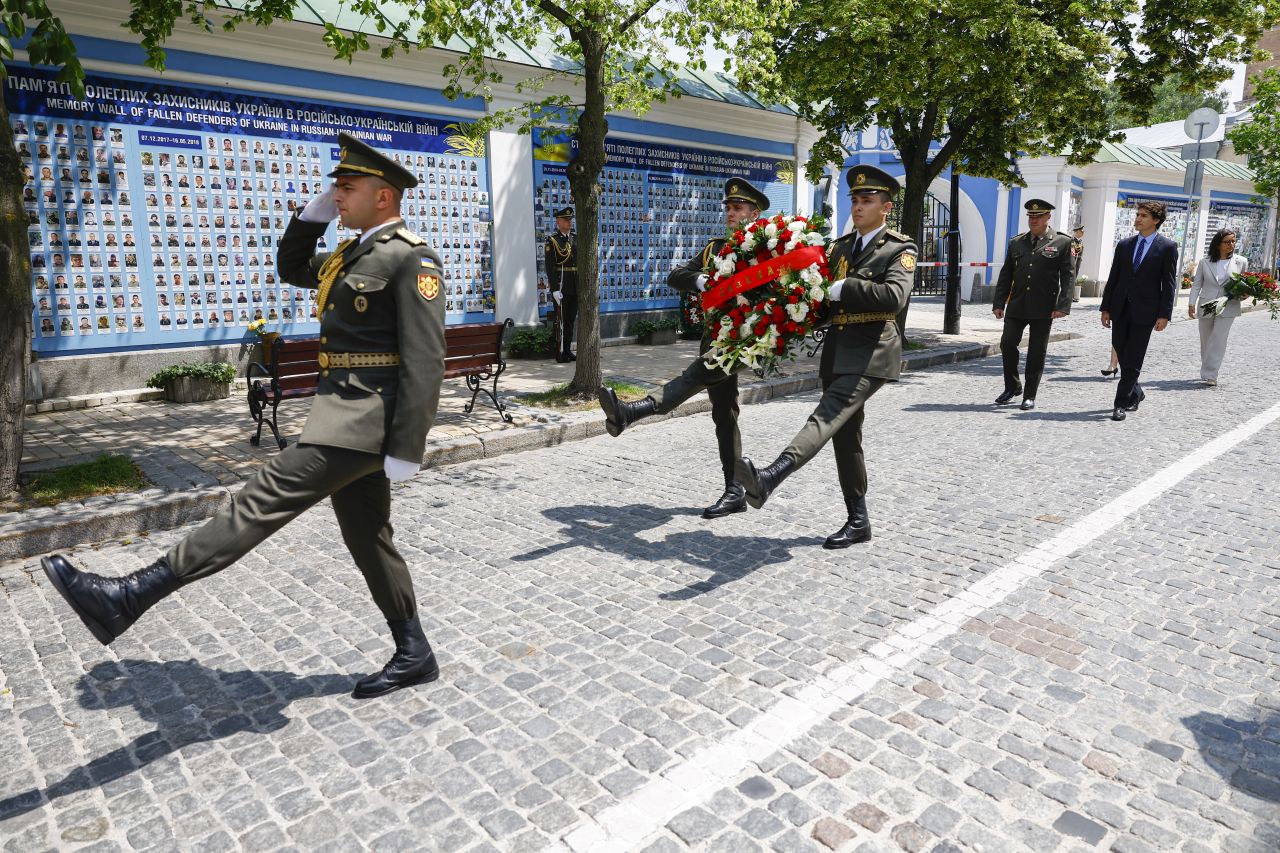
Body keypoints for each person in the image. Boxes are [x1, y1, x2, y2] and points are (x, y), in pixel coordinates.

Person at [41, 133, 448, 700]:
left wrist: (408, 445)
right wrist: (313, 217)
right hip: (344, 416)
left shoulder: (412, 257)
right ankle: (415, 652)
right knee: (368, 535)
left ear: (384, 197)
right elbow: (291, 267)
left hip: (366, 424)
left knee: (260, 499)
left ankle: (129, 596)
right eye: (336, 187)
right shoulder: (355, 252)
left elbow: (426, 360)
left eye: (347, 188)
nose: (337, 194)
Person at [733, 165, 916, 548]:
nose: (859, 206)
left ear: (886, 207)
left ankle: (770, 476)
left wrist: (843, 288)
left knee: (825, 416)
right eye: (855, 199)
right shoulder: (841, 247)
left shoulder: (900, 248)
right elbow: (818, 300)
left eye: (867, 201)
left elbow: (894, 298)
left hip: (872, 353)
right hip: (837, 352)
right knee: (845, 437)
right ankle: (859, 520)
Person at [596, 178, 769, 520]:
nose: (731, 213)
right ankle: (734, 491)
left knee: (694, 377)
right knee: (724, 413)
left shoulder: (767, 252)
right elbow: (676, 275)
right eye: (729, 208)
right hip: (713, 336)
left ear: (755, 214)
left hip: (744, 340)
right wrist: (703, 280)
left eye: (738, 208)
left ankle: (634, 411)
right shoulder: (715, 249)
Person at [991, 199, 1073, 411]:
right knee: (1007, 344)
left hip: (1044, 306)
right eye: (1031, 216)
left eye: (1038, 216)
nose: (1034, 220)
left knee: (1037, 351)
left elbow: (1068, 276)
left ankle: (1029, 395)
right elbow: (1006, 273)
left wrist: (1063, 305)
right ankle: (1012, 386)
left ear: (1048, 217)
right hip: (1017, 304)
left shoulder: (1062, 242)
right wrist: (999, 302)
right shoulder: (1017, 242)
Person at [1100, 200, 1177, 422]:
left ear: (1156, 220)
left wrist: (1164, 314)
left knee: (1133, 357)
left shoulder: (1167, 247)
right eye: (1138, 215)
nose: (1138, 219)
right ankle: (1136, 391)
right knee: (1122, 353)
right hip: (1119, 309)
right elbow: (1114, 278)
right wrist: (1105, 308)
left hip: (1146, 311)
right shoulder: (1124, 245)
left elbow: (1168, 283)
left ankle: (1120, 404)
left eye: (1143, 216)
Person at [1187, 228, 1247, 386]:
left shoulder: (1241, 261)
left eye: (1233, 241)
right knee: (1206, 339)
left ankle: (1211, 374)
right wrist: (1191, 303)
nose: (1231, 244)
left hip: (1229, 305)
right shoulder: (1205, 262)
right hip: (1207, 304)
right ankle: (1207, 368)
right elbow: (1197, 284)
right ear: (1218, 244)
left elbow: (1244, 283)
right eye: (1227, 242)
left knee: (1219, 339)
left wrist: (1245, 294)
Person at [544, 207, 577, 362]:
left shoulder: (575, 238)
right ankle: (559, 351)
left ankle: (568, 349)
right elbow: (550, 267)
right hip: (562, 285)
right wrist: (555, 289)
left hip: (575, 286)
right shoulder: (553, 241)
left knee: (570, 320)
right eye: (566, 220)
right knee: (560, 320)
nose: (569, 222)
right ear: (558, 221)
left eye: (570, 219)